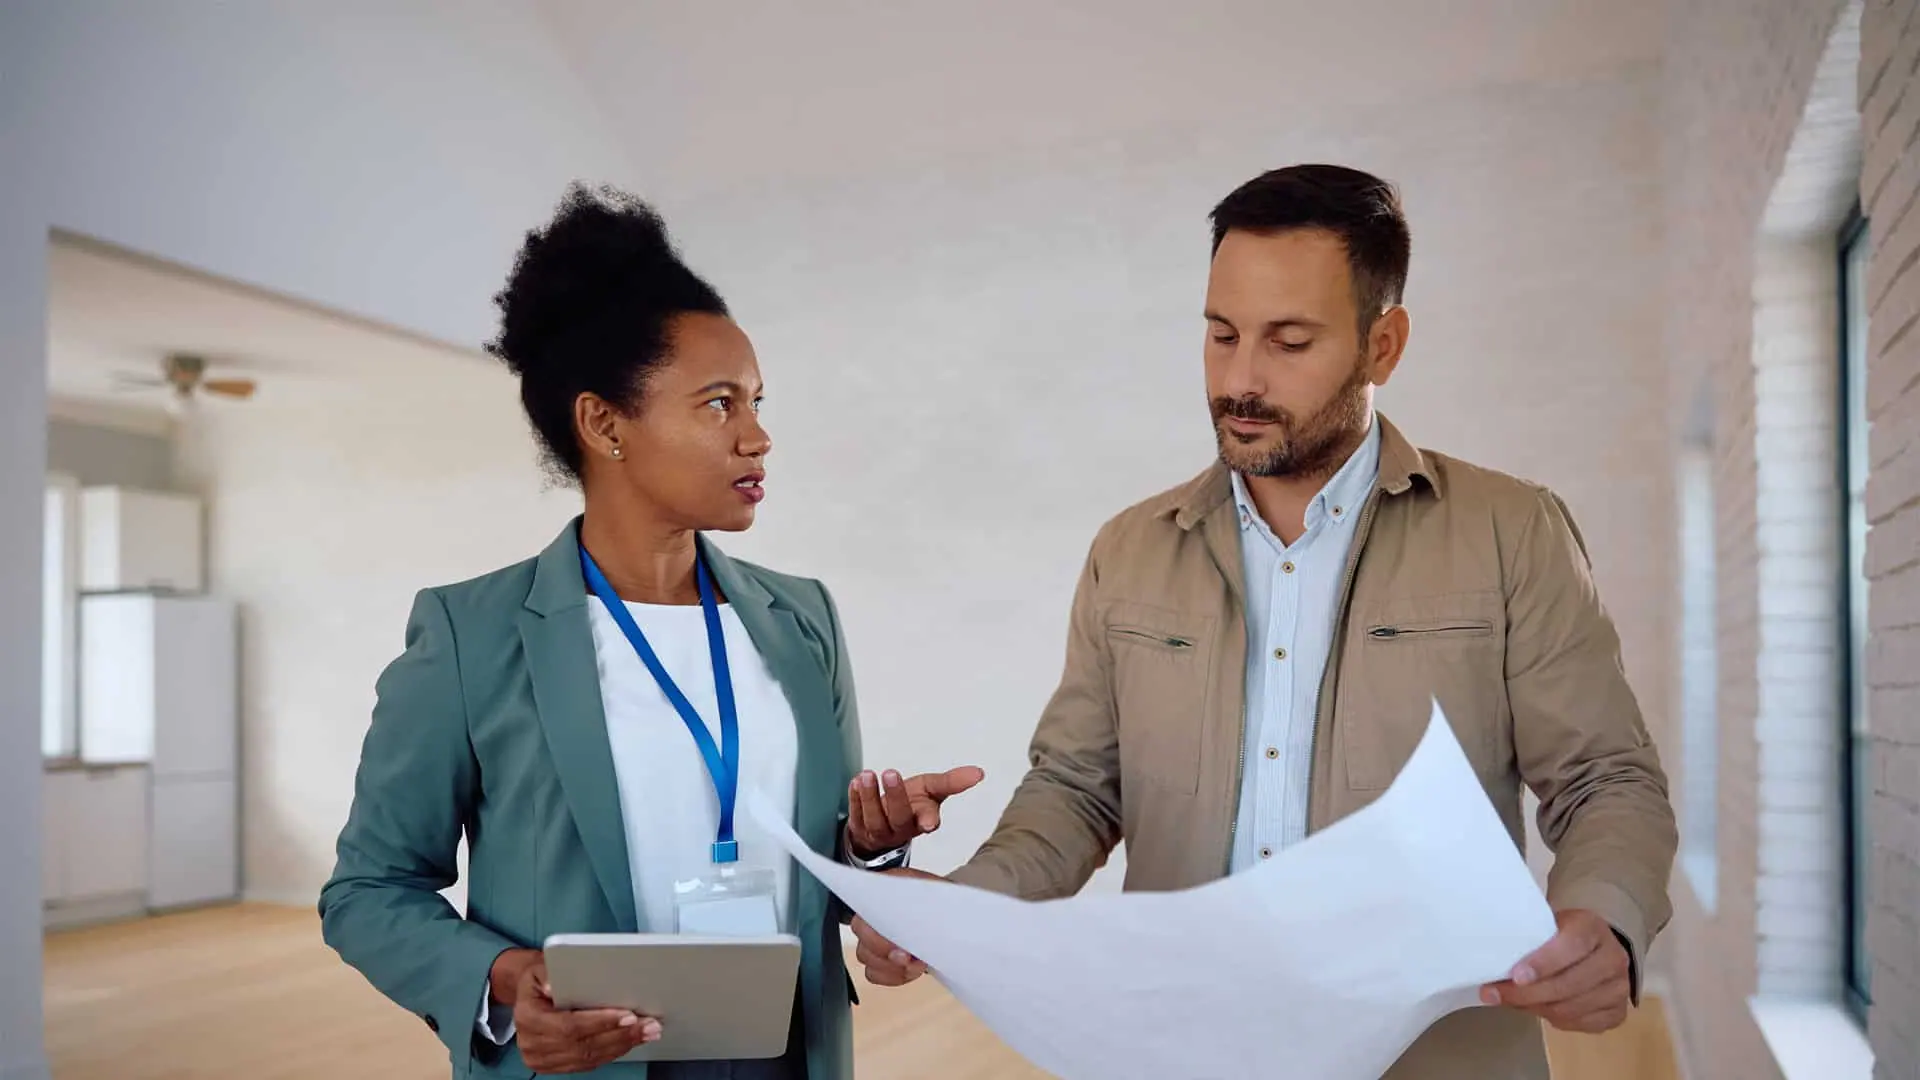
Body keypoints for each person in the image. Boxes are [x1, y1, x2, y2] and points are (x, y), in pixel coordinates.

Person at [851, 164, 1678, 1079]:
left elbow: (1605, 777)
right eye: (1221, 334)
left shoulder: (1510, 531)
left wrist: (1604, 918)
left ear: (1384, 345)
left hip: (1438, 1057)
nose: (1240, 379)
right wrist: (961, 914)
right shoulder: (1128, 549)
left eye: (1289, 342)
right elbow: (1081, 788)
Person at [318, 185, 981, 1080]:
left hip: (788, 1057)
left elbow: (814, 855)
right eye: (719, 404)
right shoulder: (471, 635)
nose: (759, 436)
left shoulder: (803, 619)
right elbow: (370, 890)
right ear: (604, 424)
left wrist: (874, 863)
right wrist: (508, 981)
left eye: (756, 400)